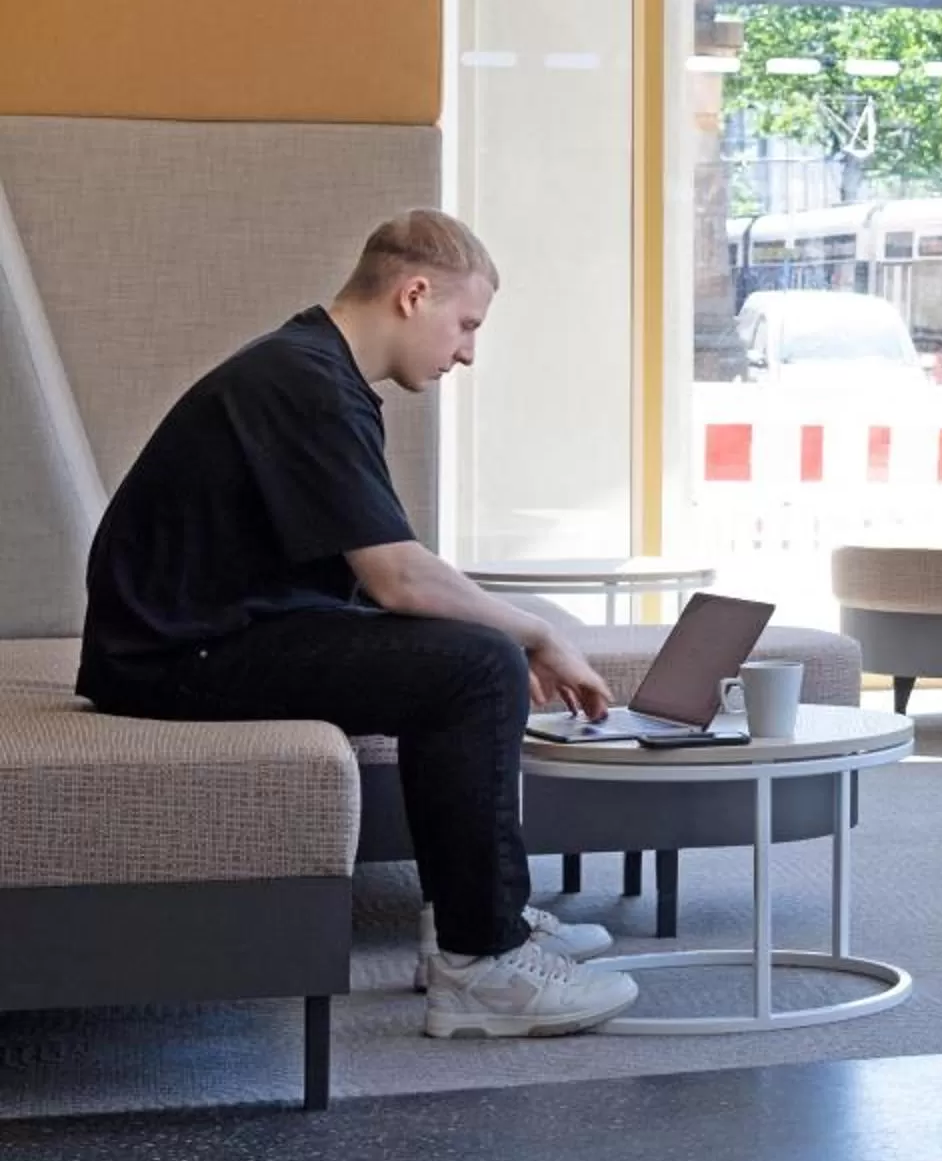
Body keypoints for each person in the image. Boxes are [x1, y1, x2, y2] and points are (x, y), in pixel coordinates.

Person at [76, 211, 643, 1040]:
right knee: (478, 666)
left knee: (467, 654)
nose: (467, 352)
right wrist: (535, 633)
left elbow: (385, 571)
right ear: (414, 294)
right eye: (466, 324)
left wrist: (499, 628)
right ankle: (480, 964)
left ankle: (473, 920)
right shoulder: (305, 384)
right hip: (174, 657)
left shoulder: (313, 370)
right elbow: (397, 576)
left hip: (204, 638)